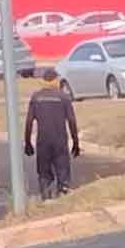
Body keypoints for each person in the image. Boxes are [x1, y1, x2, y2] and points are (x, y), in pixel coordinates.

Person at [24, 68, 80, 200]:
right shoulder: (63, 97)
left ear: (43, 81)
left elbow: (29, 122)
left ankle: (46, 198)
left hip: (43, 142)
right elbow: (71, 121)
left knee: (44, 174)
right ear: (55, 80)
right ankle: (63, 196)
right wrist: (76, 142)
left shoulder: (36, 98)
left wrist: (27, 143)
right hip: (60, 141)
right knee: (63, 172)